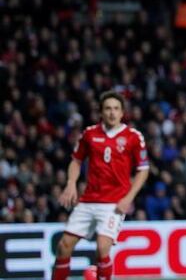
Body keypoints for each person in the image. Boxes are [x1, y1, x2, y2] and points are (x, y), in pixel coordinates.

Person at [51, 91, 149, 280]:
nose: (112, 113)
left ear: (122, 113)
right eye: (108, 109)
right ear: (101, 112)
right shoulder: (89, 134)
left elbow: (143, 170)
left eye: (116, 109)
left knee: (102, 247)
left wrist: (128, 198)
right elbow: (76, 160)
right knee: (64, 245)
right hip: (88, 200)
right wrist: (71, 183)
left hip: (114, 202)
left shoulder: (133, 137)